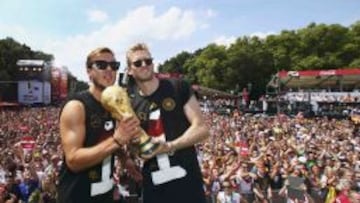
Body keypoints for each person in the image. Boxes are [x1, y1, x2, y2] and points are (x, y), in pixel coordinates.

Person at [125, 42, 210, 203]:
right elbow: (133, 146)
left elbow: (201, 129)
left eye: (148, 61)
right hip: (154, 185)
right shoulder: (130, 102)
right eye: (138, 63)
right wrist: (137, 149)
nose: (144, 65)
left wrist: (170, 146)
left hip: (187, 182)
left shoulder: (178, 86)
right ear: (130, 70)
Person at [57, 47, 141, 203]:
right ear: (89, 71)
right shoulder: (76, 106)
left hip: (105, 195)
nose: (109, 69)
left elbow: (104, 140)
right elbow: (73, 161)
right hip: (77, 196)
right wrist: (116, 141)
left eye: (114, 66)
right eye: (101, 65)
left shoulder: (112, 105)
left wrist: (124, 159)